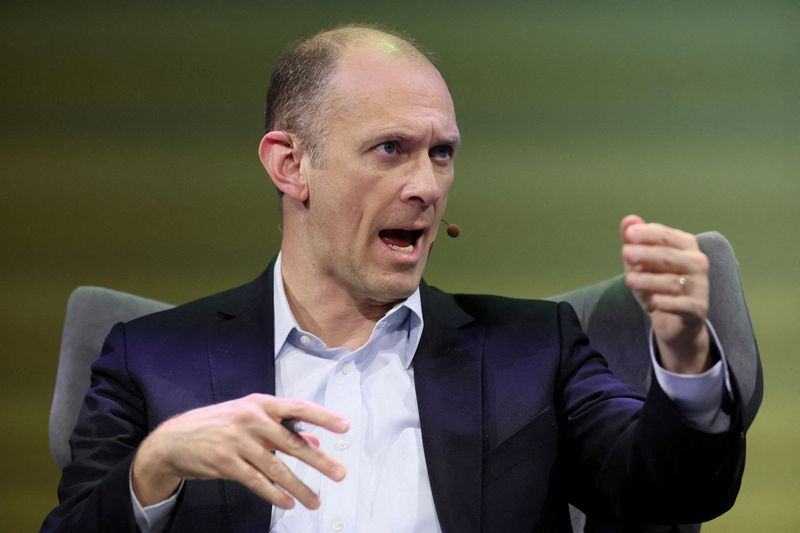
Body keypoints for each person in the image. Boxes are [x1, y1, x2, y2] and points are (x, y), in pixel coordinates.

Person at [43, 25, 744, 532]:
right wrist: (154, 469)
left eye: (442, 153)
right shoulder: (151, 358)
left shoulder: (535, 350)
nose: (427, 185)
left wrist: (685, 358)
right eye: (390, 149)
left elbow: (664, 493)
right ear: (290, 165)